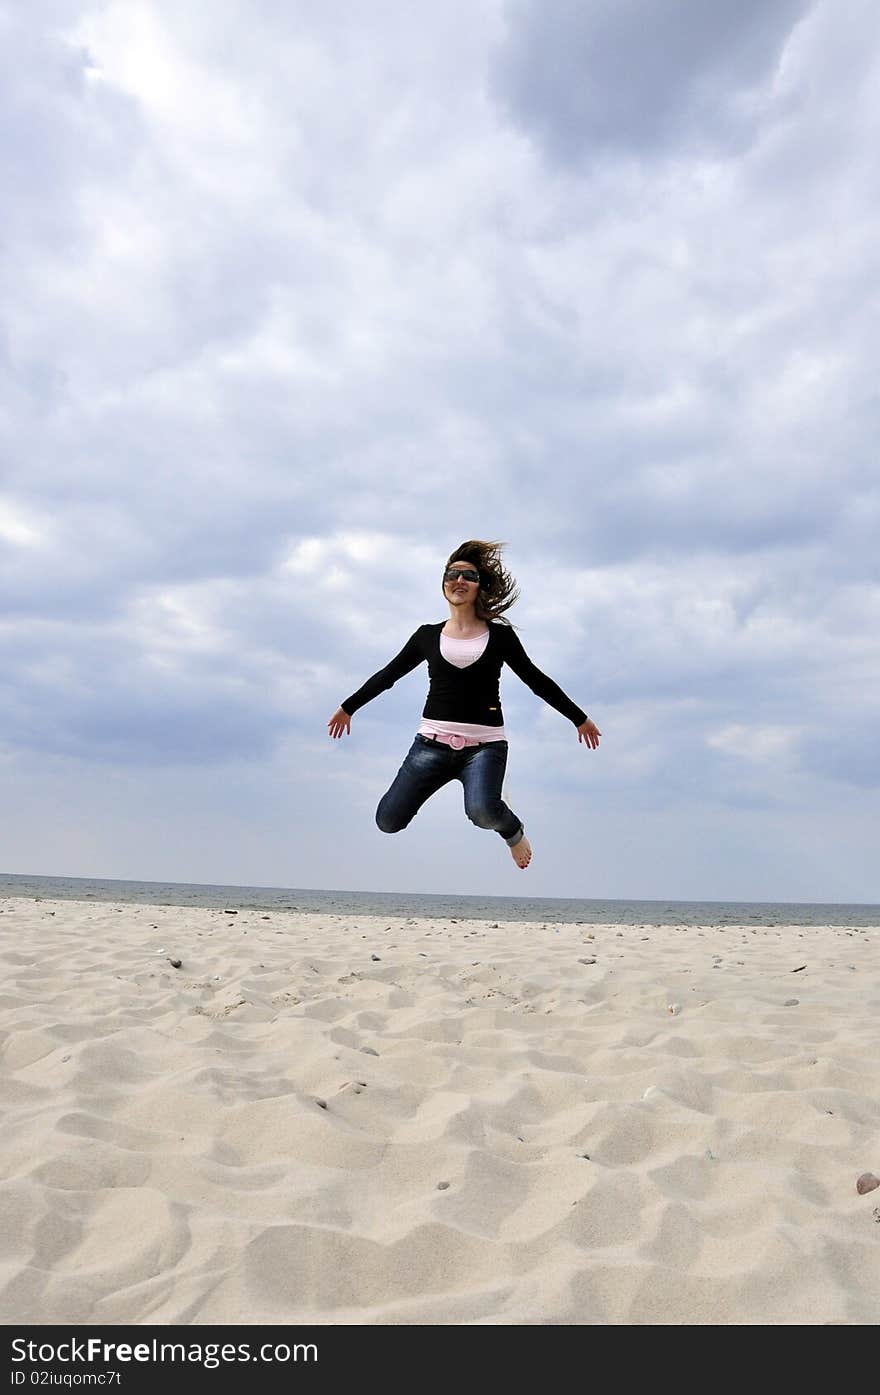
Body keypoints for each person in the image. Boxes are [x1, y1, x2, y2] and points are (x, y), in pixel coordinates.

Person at [327, 540, 601, 870]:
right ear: (443, 584)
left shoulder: (500, 638)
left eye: (468, 576)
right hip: (430, 746)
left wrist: (579, 718)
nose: (459, 581)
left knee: (483, 811)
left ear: (479, 586)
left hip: (484, 749)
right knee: (387, 820)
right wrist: (349, 707)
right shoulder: (426, 636)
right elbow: (388, 674)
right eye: (452, 574)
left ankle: (513, 832)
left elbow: (536, 680)